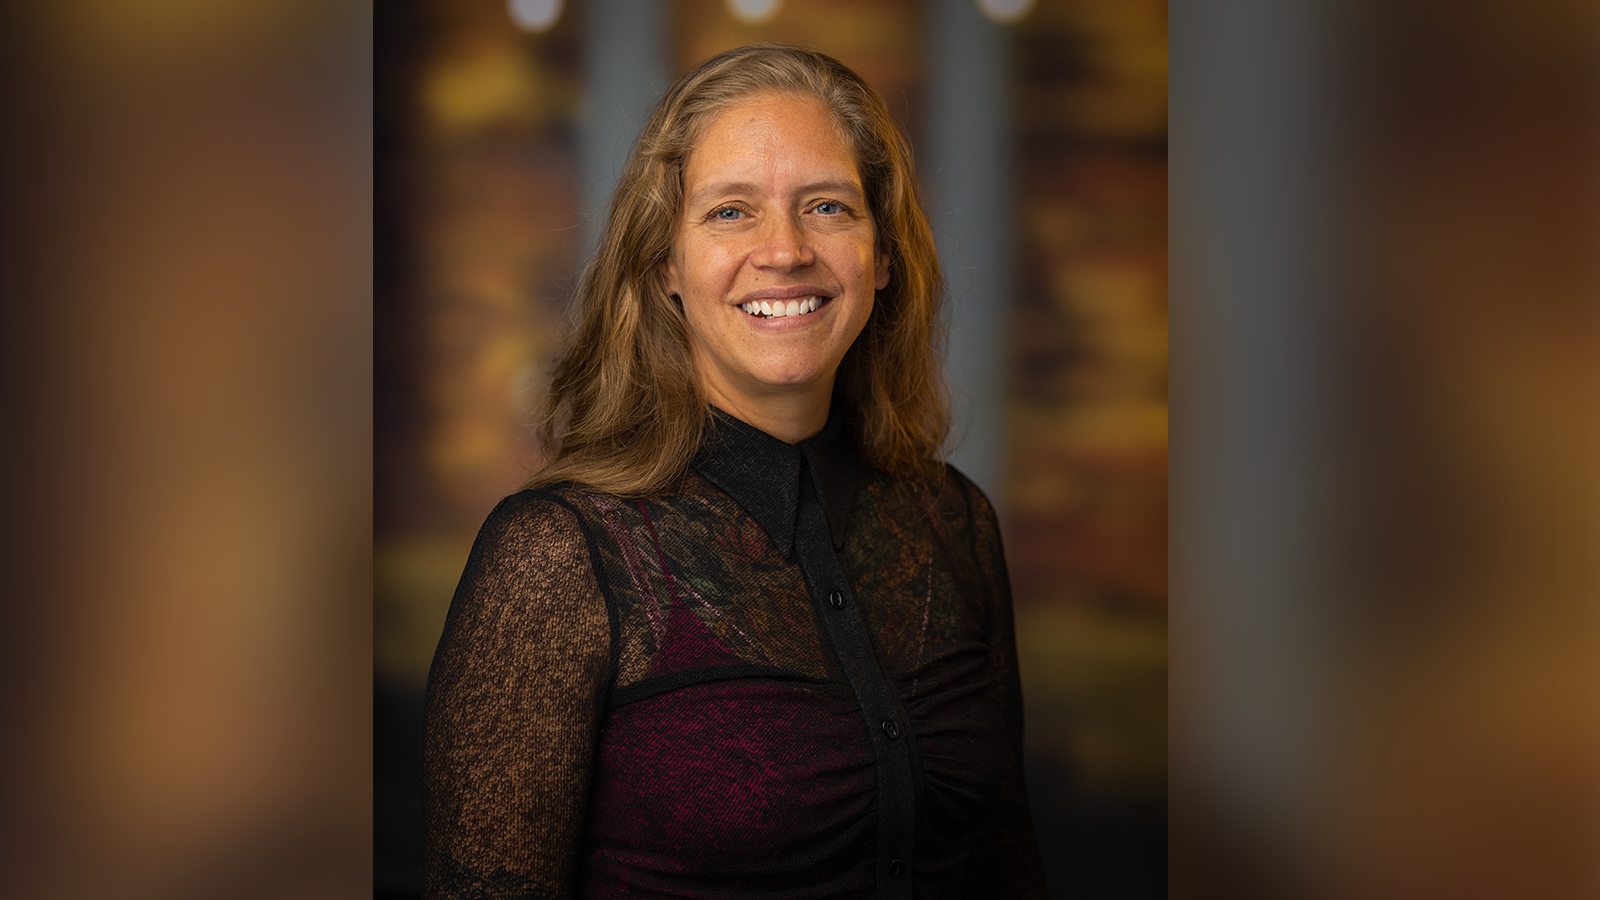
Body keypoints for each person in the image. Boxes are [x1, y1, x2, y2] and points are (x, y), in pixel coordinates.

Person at [423, 44, 1046, 899]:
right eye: (730, 213)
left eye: (827, 206)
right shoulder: (557, 558)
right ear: (665, 267)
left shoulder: (956, 524)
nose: (784, 251)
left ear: (883, 255)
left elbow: (1006, 871)